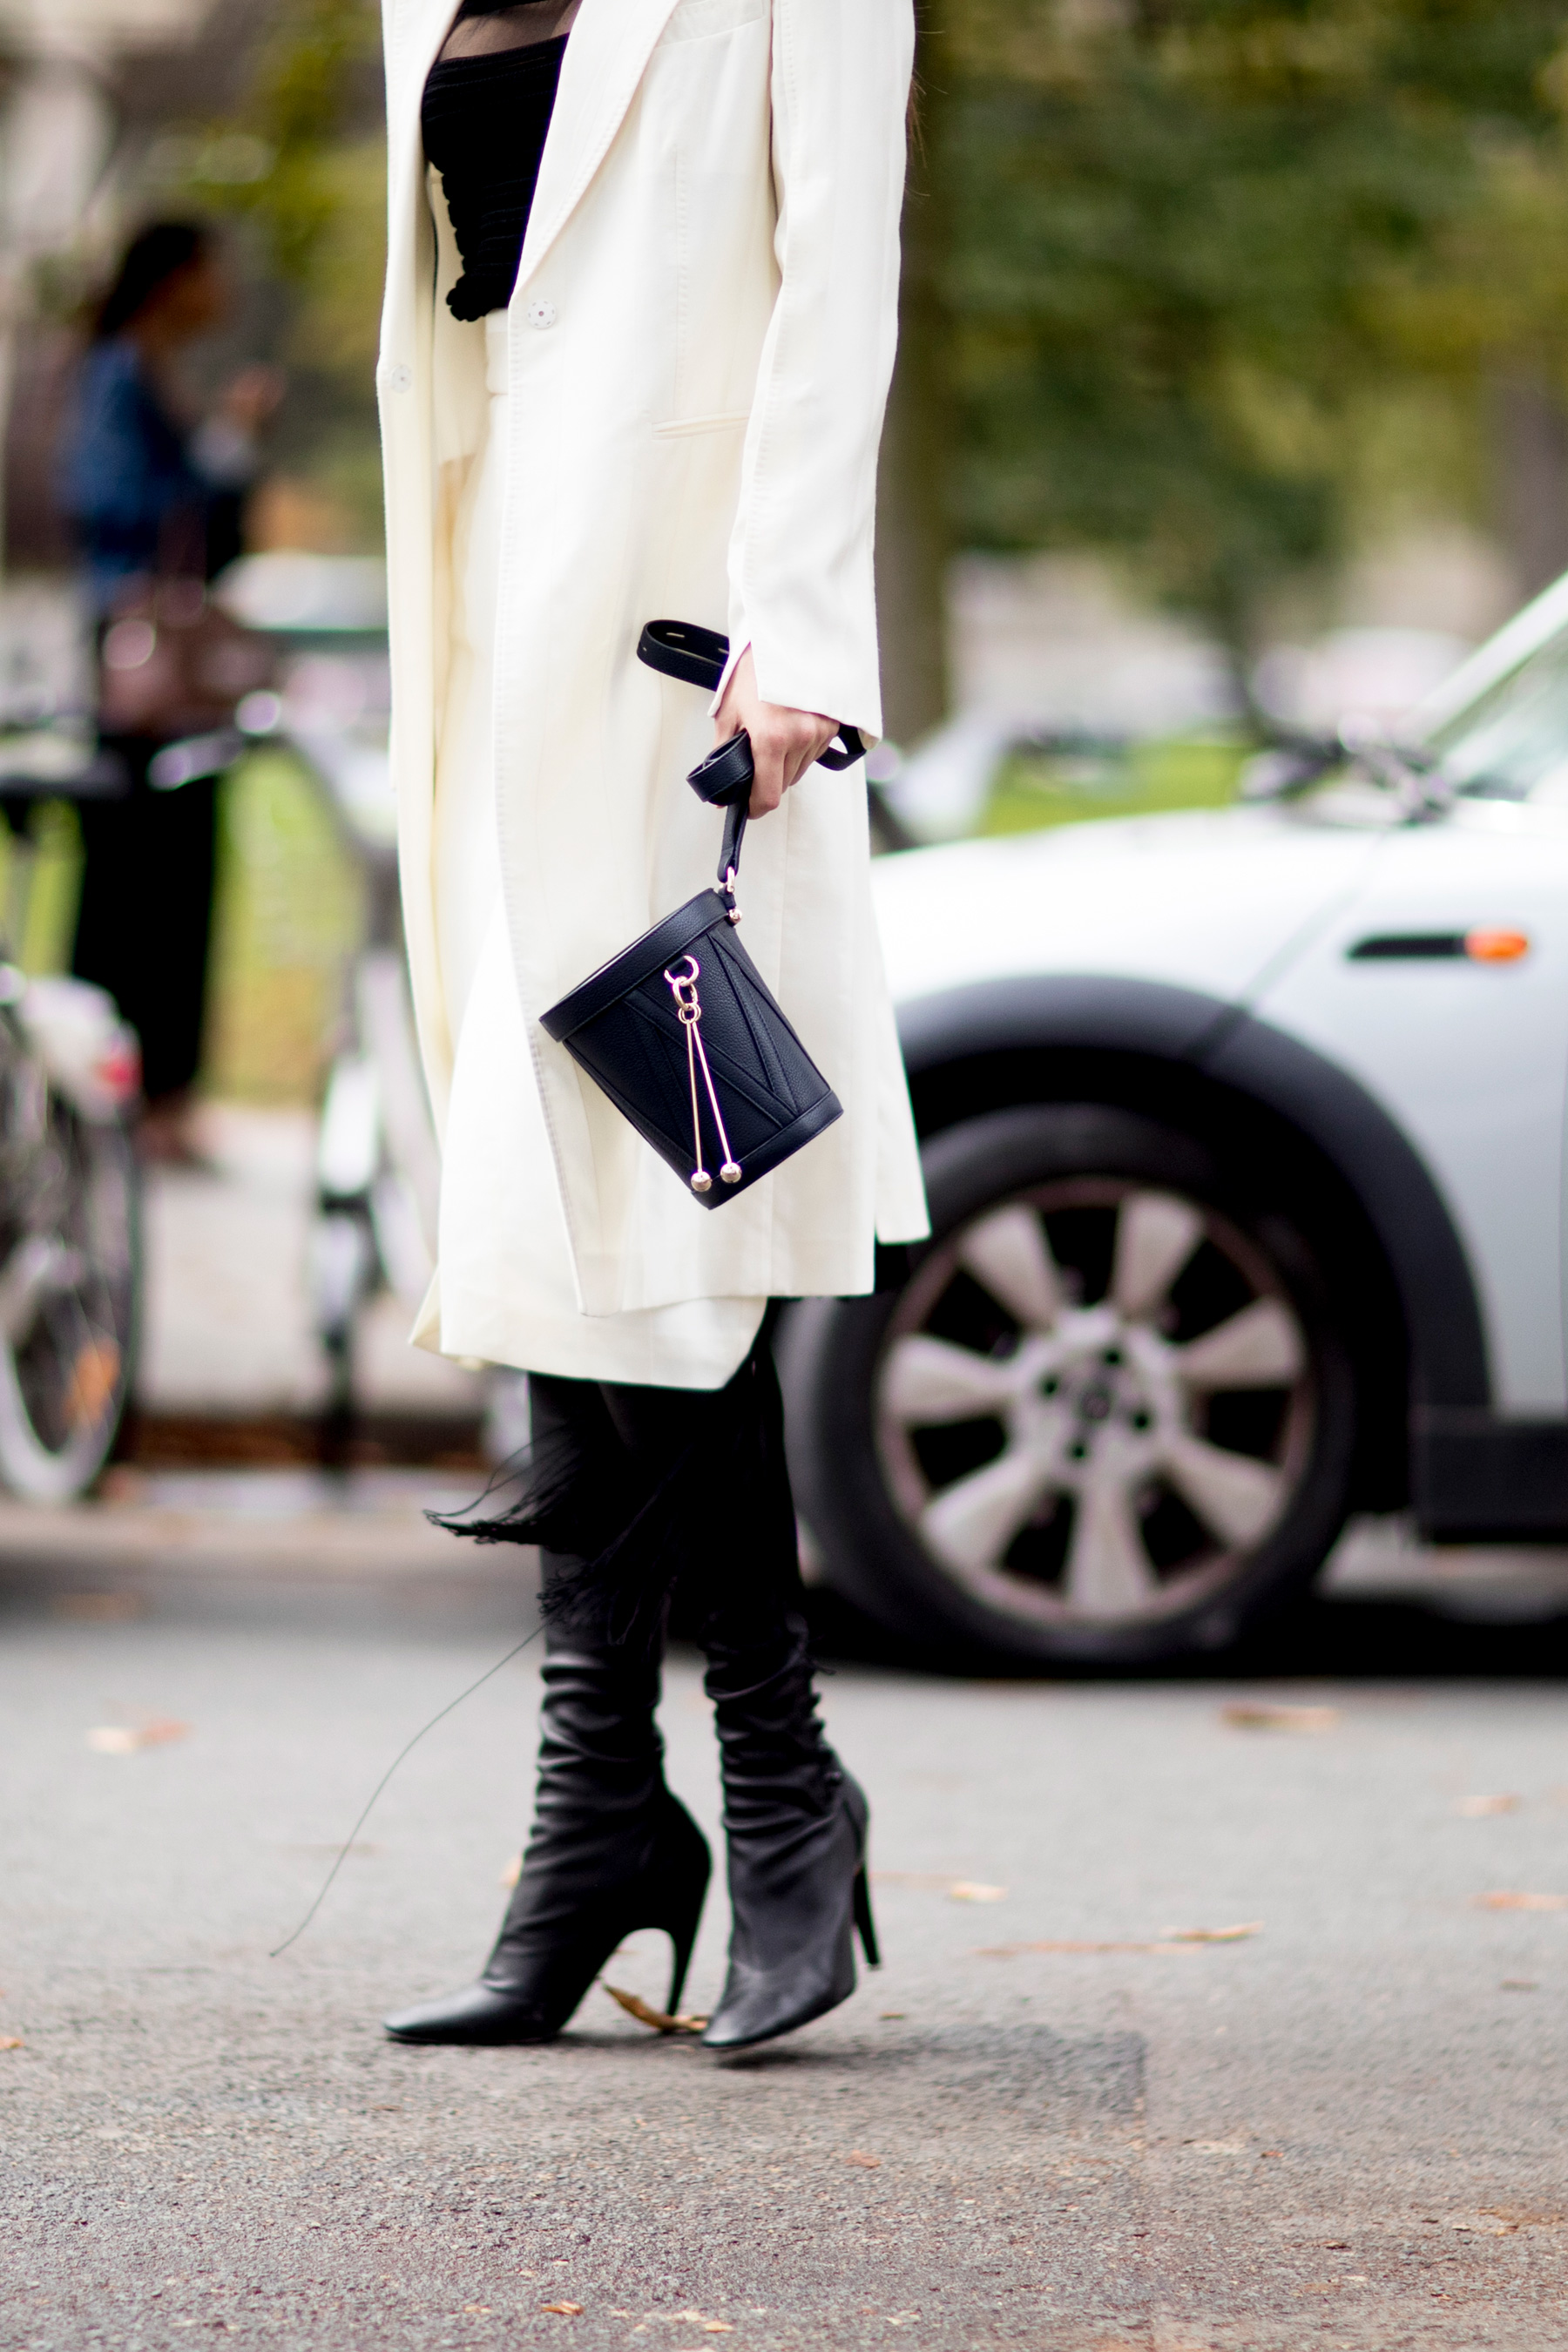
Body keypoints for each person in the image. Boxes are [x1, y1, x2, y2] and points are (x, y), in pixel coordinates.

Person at [378, 0, 929, 2053]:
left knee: (665, 1201)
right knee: (557, 1208)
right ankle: (604, 1807)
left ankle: (770, 1786)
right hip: (485, 602)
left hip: (681, 647)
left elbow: (838, 271)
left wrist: (801, 624)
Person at [58, 221, 280, 1162]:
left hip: (162, 679)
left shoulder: (145, 375)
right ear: (171, 279)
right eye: (208, 273)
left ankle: (152, 1091)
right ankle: (113, 1090)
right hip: (141, 678)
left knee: (168, 879)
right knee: (138, 882)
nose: (221, 291)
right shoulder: (119, 377)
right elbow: (115, 508)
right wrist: (223, 452)